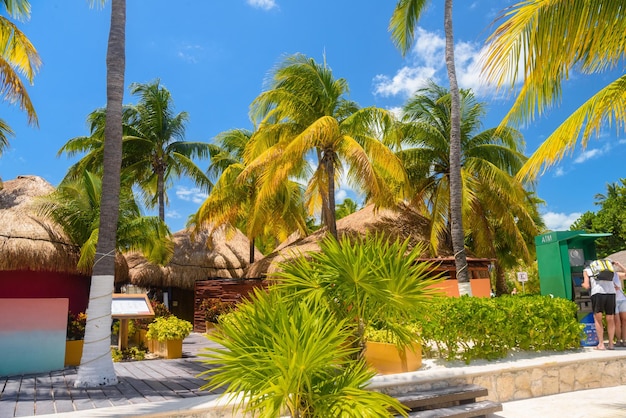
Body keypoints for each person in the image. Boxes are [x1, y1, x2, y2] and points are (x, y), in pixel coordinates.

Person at [582, 259, 616, 350]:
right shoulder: (608, 268)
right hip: (611, 293)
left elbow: (586, 284)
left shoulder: (587, 270)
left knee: (598, 318)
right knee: (610, 318)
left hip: (598, 293)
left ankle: (601, 344)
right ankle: (611, 344)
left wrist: (583, 285)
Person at [612, 260, 626, 347]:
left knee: (624, 320)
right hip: (613, 300)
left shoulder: (616, 275)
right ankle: (618, 339)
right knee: (617, 321)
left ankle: (624, 339)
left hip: (622, 299)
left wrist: (620, 265)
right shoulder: (606, 276)